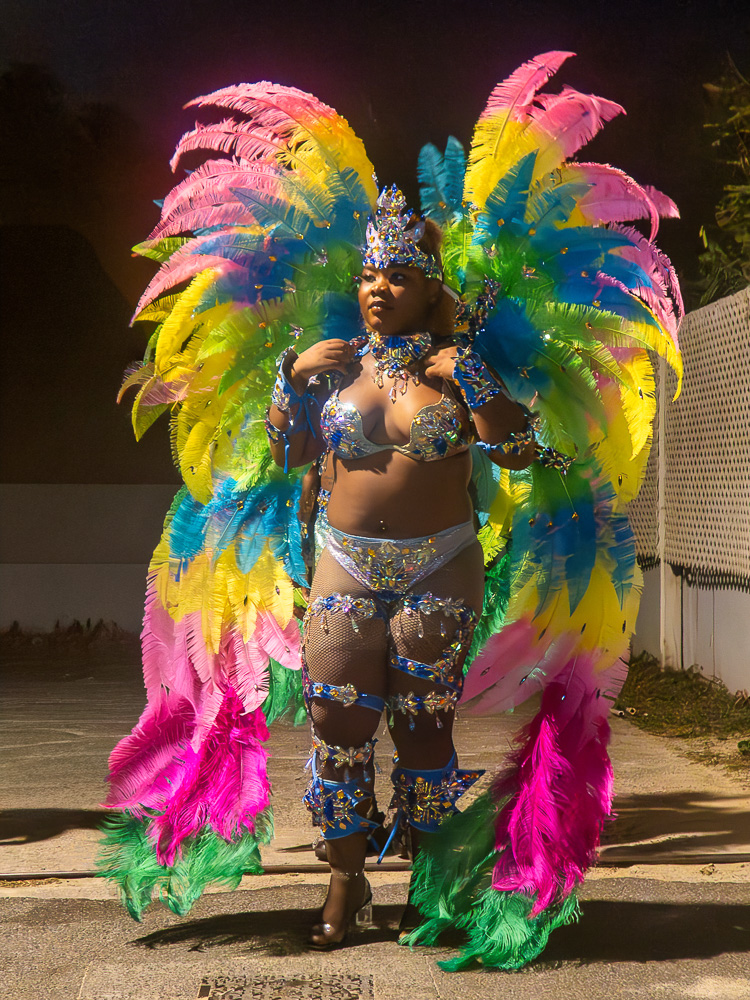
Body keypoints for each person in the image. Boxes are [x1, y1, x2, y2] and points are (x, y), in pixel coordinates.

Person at [264, 198, 535, 946]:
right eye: (369, 275)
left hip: (438, 562)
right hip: (346, 558)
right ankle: (346, 884)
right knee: (336, 721)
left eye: (398, 276)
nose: (377, 288)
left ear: (430, 287)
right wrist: (292, 376)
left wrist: (476, 381)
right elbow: (287, 454)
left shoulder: (457, 364)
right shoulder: (334, 366)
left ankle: (430, 885)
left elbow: (519, 452)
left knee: (422, 725)